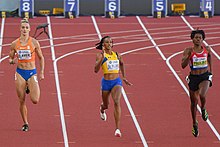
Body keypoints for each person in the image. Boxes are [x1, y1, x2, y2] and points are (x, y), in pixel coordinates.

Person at [9, 18, 45, 131]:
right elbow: (10, 59)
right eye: (23, 27)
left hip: (31, 72)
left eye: (26, 27)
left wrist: (42, 72)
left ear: (29, 29)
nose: (24, 29)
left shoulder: (34, 42)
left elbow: (41, 58)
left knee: (35, 100)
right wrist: (13, 60)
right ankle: (25, 123)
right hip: (20, 72)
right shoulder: (14, 44)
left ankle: (29, 86)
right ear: (20, 29)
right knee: (21, 100)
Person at [94, 36, 132, 137]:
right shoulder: (100, 55)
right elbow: (96, 70)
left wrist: (123, 77)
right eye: (107, 42)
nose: (109, 44)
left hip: (116, 81)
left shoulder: (117, 55)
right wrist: (102, 59)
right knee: (106, 105)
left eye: (111, 42)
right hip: (106, 82)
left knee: (116, 101)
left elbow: (122, 64)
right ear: (103, 44)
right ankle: (102, 109)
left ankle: (117, 129)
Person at [181, 29, 213, 137]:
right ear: (192, 39)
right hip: (193, 77)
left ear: (203, 39)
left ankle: (203, 108)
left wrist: (211, 71)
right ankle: (194, 123)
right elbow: (183, 65)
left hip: (204, 76)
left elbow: (209, 57)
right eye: (196, 37)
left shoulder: (207, 49)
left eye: (200, 38)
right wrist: (189, 56)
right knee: (194, 102)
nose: (198, 39)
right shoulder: (188, 50)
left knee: (202, 94)